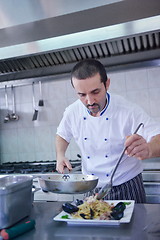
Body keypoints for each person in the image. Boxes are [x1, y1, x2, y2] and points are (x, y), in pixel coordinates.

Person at [56, 59, 160, 203]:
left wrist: (148, 149)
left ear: (107, 84)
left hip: (127, 186)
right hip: (92, 187)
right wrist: (60, 155)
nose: (90, 101)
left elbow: (157, 136)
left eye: (95, 92)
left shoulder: (128, 110)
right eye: (82, 95)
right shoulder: (73, 111)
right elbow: (62, 134)